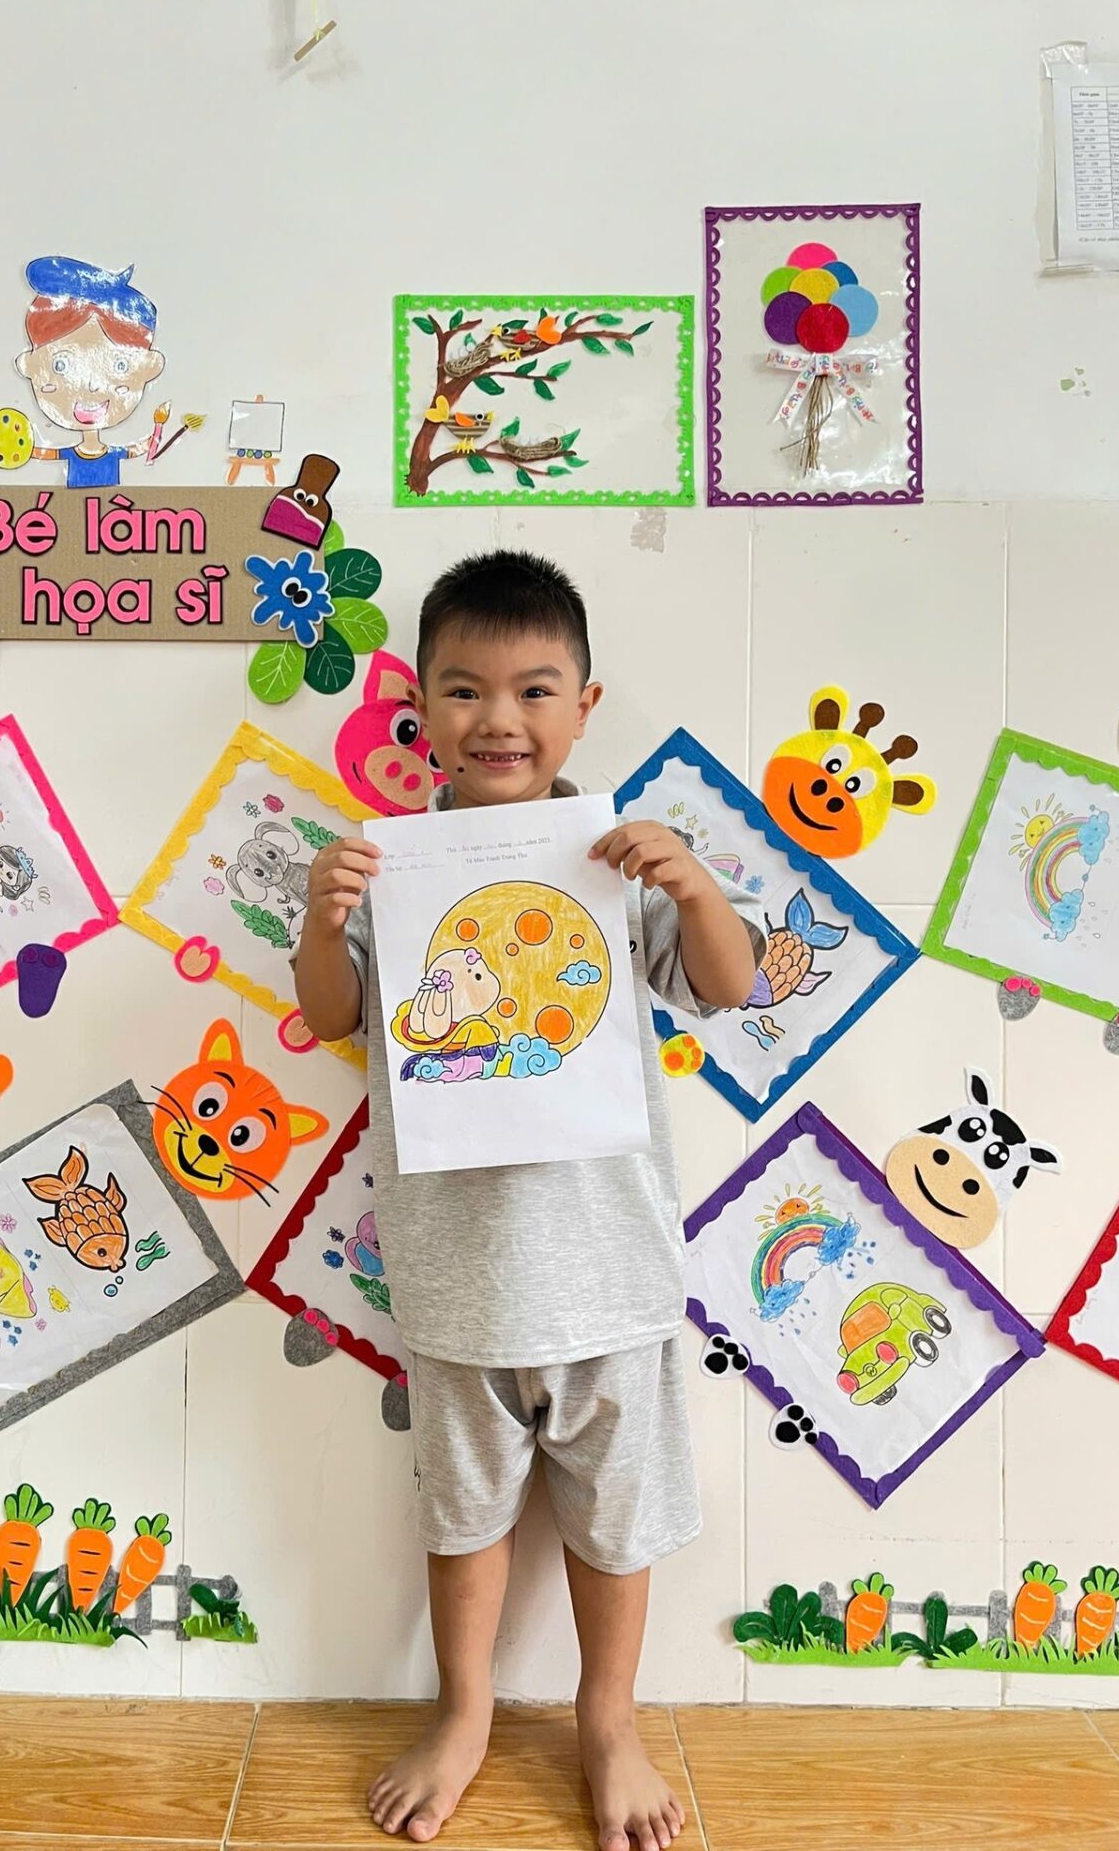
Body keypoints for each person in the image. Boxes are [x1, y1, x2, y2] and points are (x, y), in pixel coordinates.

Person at [294, 551, 763, 1851]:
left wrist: (691, 883)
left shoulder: (612, 859)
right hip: (456, 1276)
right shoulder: (392, 868)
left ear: (583, 706)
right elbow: (331, 1017)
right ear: (419, 708)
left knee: (616, 1521)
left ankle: (609, 1722)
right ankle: (466, 1714)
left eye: (534, 690)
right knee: (463, 1515)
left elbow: (728, 987)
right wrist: (322, 923)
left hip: (611, 1269)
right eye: (464, 690)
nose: (498, 719)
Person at [14, 255, 166, 488]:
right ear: (29, 365)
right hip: (72, 507)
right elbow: (46, 454)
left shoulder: (113, 453)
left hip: (114, 508)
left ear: (150, 366)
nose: (92, 386)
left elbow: (141, 449)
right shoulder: (75, 453)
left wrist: (158, 429)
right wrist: (22, 448)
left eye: (120, 365)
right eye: (60, 365)